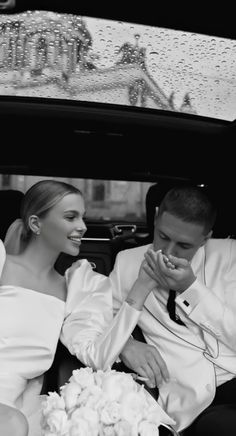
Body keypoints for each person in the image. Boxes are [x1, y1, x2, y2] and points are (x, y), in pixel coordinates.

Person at [0, 179, 167, 436]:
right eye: (71, 217)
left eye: (83, 217)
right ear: (36, 224)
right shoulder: (2, 262)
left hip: (17, 409)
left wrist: (141, 289)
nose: (82, 226)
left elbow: (98, 355)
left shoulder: (74, 289)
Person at [108, 185, 236, 435]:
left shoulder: (230, 256)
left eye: (184, 246)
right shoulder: (126, 262)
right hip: (190, 399)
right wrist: (126, 345)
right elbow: (101, 320)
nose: (167, 252)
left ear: (205, 239)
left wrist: (191, 288)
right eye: (163, 237)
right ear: (156, 219)